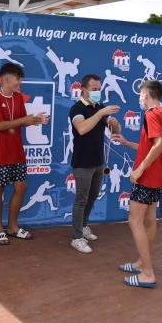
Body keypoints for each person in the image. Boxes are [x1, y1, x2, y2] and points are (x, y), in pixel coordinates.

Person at [112, 80, 162, 289]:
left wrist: (140, 169)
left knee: (134, 221)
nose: (139, 98)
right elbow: (153, 147)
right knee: (149, 220)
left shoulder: (151, 114)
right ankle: (142, 262)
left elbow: (159, 144)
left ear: (146, 94)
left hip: (146, 178)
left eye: (140, 95)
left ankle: (147, 273)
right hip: (157, 178)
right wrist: (127, 143)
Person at [0, 62, 48, 245]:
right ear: (6, 79)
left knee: (21, 187)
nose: (19, 84)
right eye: (17, 80)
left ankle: (12, 226)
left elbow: (23, 121)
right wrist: (25, 119)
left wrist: (36, 119)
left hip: (17, 150)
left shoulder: (18, 97)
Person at [68, 74, 121, 253]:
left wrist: (114, 123)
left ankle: (83, 227)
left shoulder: (100, 107)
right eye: (94, 89)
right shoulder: (77, 109)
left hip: (99, 161)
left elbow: (115, 130)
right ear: (84, 89)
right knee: (81, 199)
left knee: (93, 196)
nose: (97, 92)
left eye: (99, 89)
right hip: (83, 162)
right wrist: (100, 114)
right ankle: (76, 238)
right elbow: (82, 129)